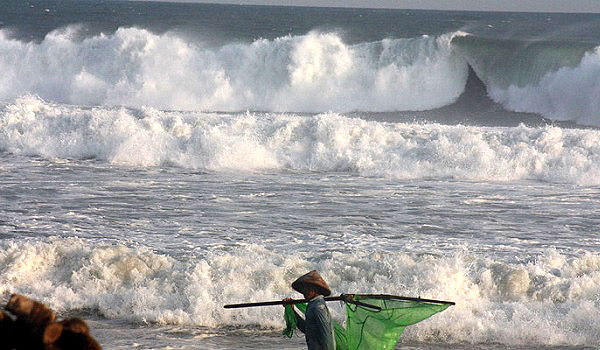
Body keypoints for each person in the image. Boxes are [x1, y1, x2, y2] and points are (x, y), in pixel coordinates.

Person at [285, 270, 336, 350]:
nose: (304, 292)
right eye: (303, 289)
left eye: (307, 288)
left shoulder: (318, 307)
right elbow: (306, 328)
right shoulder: (312, 305)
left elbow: (327, 335)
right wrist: (292, 310)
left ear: (316, 289)